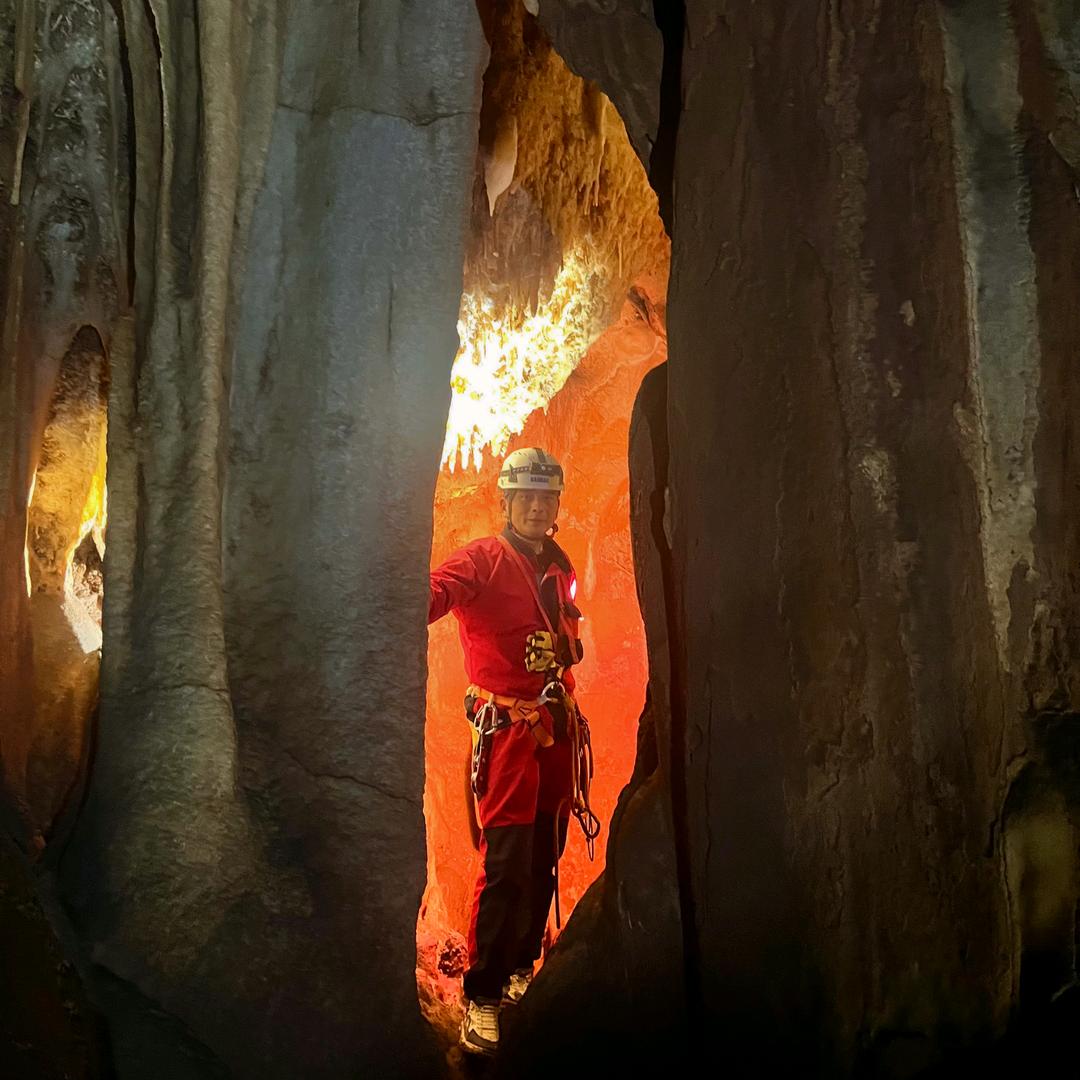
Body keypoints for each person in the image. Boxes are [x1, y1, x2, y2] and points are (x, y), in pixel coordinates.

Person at [428, 447, 596, 1056]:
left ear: (555, 506)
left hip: (554, 725)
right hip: (506, 732)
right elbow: (434, 594)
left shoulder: (557, 563)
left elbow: (569, 628)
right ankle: (482, 993)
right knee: (505, 860)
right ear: (504, 501)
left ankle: (523, 962)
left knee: (545, 850)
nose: (535, 505)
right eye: (524, 495)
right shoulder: (481, 559)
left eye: (545, 497)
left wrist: (562, 652)